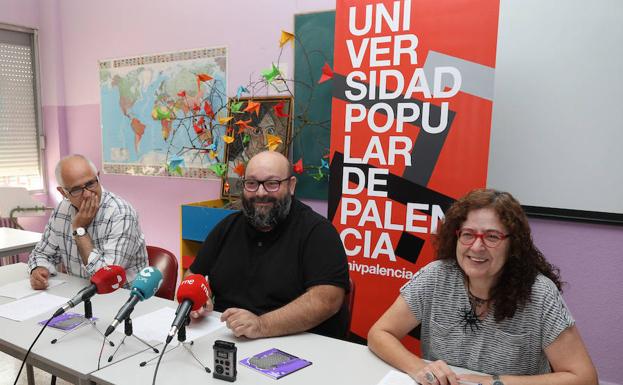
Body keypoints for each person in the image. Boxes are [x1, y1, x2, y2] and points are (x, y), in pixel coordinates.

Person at [367, 189, 598, 385]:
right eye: (468, 234)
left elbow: (584, 378)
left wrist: (497, 382)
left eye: (492, 237)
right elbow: (379, 334)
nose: (477, 247)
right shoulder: (436, 277)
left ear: (512, 244)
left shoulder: (539, 294)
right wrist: (419, 368)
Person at [187, 150, 350, 340]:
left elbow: (327, 300)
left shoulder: (318, 232)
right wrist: (198, 297)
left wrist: (262, 325)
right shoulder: (227, 226)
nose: (260, 193)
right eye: (252, 184)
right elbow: (193, 275)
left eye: (272, 184)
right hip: (226, 338)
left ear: (291, 185)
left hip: (297, 347)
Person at [28, 154, 147, 288]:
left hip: (124, 298)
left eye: (91, 183)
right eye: (77, 189)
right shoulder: (62, 210)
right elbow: (42, 253)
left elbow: (108, 278)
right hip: (81, 293)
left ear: (98, 176)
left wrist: (80, 230)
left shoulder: (121, 213)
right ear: (63, 192)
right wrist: (38, 269)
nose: (87, 194)